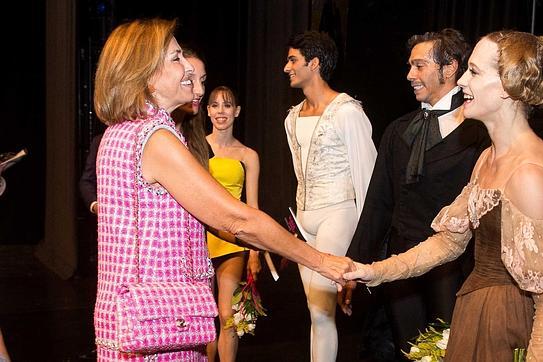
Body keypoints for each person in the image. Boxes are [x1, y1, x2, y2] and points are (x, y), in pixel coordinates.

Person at [93, 18, 353, 361]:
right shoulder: (154, 138)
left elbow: (212, 220)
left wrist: (266, 244)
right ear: (144, 74)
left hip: (131, 325)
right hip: (158, 328)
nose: (188, 67)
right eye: (176, 59)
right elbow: (236, 218)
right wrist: (322, 261)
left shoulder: (119, 132)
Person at [344, 30, 543, 361]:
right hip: (477, 313)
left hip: (510, 329)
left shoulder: (530, 174)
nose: (461, 81)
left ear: (508, 85)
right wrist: (376, 271)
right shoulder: (488, 157)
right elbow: (449, 242)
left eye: (474, 72)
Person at [339, 28, 490, 360]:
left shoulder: (480, 133)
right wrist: (354, 265)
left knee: (449, 351)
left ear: (449, 68)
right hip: (399, 266)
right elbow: (378, 205)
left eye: (419, 66)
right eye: (410, 66)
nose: (410, 75)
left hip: (453, 268)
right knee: (407, 350)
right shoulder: (397, 130)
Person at [283, 31, 377, 362]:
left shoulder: (346, 111)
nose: (286, 67)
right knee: (315, 310)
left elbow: (367, 174)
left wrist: (366, 244)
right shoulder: (291, 118)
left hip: (338, 212)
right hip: (304, 219)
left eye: (293, 60)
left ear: (315, 63)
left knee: (321, 310)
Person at [204, 86, 261, 362]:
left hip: (232, 241)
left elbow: (253, 208)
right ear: (207, 111)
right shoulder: (195, 147)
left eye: (227, 106)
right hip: (198, 238)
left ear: (236, 111)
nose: (220, 111)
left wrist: (255, 251)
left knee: (228, 315)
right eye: (215, 106)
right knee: (204, 318)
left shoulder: (248, 155)